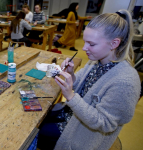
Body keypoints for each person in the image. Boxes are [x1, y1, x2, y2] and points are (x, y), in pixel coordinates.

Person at [38, 9, 141, 150]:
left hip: (82, 133)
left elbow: (105, 123)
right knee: (37, 117)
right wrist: (71, 74)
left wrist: (71, 97)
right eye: (85, 42)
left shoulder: (125, 82)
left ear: (114, 43)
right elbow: (81, 86)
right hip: (72, 115)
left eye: (91, 44)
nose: (85, 48)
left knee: (36, 132)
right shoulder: (96, 60)